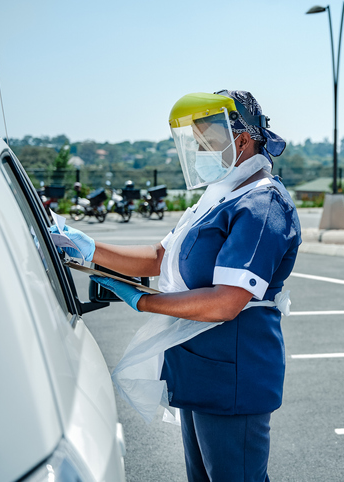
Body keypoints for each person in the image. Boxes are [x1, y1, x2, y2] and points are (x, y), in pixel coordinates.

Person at [56, 90, 301, 482]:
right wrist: (86, 246)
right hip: (199, 368)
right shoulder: (219, 196)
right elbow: (159, 256)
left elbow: (226, 303)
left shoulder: (262, 204)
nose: (202, 150)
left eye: (209, 141)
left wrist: (145, 301)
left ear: (242, 140)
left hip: (234, 376)